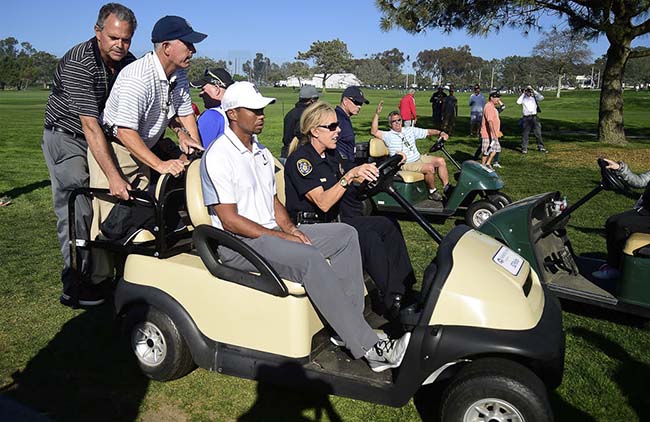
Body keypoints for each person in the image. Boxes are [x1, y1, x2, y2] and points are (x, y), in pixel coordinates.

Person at [200, 82, 411, 372]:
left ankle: (348, 327)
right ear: (233, 114)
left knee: (346, 235)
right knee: (310, 258)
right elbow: (229, 219)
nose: (262, 115)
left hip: (268, 231)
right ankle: (370, 349)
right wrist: (282, 236)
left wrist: (292, 229)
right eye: (255, 110)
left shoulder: (260, 152)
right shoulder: (219, 155)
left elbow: (272, 201)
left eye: (263, 109)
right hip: (238, 242)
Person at [89, 15, 206, 281]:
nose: (193, 50)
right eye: (187, 44)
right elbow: (124, 131)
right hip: (116, 151)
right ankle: (99, 283)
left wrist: (193, 147)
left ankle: (134, 278)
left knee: (140, 218)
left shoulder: (179, 74)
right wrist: (160, 164)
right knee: (111, 224)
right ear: (166, 47)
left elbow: (185, 113)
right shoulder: (137, 77)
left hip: (143, 149)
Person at [41, 3, 137, 307]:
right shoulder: (79, 62)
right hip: (67, 136)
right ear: (98, 33)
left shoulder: (128, 62)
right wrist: (113, 176)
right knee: (77, 205)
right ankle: (75, 284)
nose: (120, 45)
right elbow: (89, 124)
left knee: (108, 203)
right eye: (113, 38)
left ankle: (105, 273)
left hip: (98, 136)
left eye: (126, 39)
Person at [284, 101, 417, 316]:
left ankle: (406, 287)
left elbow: (354, 175)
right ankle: (393, 300)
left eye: (338, 125)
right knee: (367, 235)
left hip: (334, 220)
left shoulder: (331, 156)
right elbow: (323, 202)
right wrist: (349, 177)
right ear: (315, 131)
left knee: (388, 223)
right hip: (312, 226)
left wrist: (380, 168)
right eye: (332, 127)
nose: (338, 131)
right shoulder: (301, 161)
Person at [371, 101, 450, 201]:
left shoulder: (409, 130)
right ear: (390, 124)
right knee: (430, 168)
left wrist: (440, 133)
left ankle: (447, 188)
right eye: (394, 121)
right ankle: (432, 191)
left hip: (418, 157)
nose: (397, 123)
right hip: (404, 163)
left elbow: (428, 132)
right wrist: (377, 114)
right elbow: (374, 131)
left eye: (399, 120)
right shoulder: (387, 135)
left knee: (440, 161)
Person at [592, 159, 650, 280]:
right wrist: (619, 168)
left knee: (622, 224)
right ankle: (613, 264)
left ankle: (618, 268)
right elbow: (640, 181)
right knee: (612, 221)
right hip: (645, 212)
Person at [191, 67, 235, 148]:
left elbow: (197, 151)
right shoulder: (240, 112)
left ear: (217, 89)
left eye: (203, 89)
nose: (201, 94)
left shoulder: (211, 116)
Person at [280, 85, 321, 159]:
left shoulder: (290, 114)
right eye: (317, 99)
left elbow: (286, 139)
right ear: (312, 100)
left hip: (286, 154)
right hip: (300, 156)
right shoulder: (309, 116)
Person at [334, 85, 369, 162]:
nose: (359, 106)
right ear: (345, 101)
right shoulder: (336, 118)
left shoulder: (345, 118)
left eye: (361, 104)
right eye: (356, 102)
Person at [517, 85, 546, 153]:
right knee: (525, 133)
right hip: (526, 117)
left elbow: (542, 97)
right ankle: (524, 148)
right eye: (528, 91)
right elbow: (518, 102)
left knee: (538, 133)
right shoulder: (524, 98)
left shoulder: (534, 98)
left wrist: (533, 90)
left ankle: (540, 146)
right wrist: (523, 93)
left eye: (529, 91)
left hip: (534, 117)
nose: (529, 92)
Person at [479, 91, 503, 168]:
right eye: (496, 98)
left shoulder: (493, 107)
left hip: (494, 134)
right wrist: (493, 134)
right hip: (488, 134)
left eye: (499, 97)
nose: (498, 99)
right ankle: (483, 166)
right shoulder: (488, 107)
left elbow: (503, 107)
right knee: (486, 151)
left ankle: (488, 163)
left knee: (495, 149)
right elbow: (490, 122)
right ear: (491, 98)